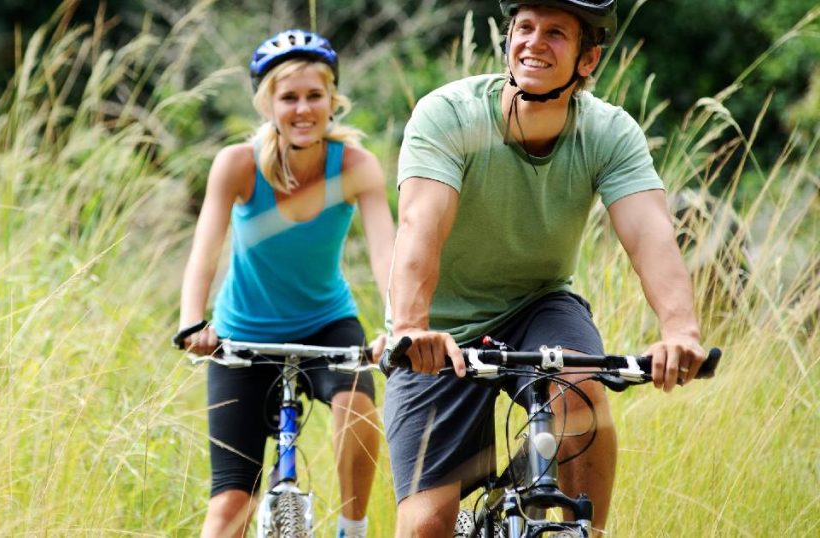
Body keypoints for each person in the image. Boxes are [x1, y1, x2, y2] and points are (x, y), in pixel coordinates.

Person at [381, 1, 708, 536]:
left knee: (582, 378)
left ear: (588, 59)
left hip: (538, 303)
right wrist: (412, 327)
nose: (534, 42)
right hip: (439, 327)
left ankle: (585, 532)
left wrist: (680, 331)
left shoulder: (608, 132)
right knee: (426, 526)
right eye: (524, 28)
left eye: (556, 33)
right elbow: (421, 225)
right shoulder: (450, 114)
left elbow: (651, 234)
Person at [175, 29, 394, 538]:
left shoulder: (356, 166)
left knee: (357, 407)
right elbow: (203, 252)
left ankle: (353, 528)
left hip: (326, 324)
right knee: (230, 506)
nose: (302, 109)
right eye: (288, 97)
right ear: (267, 103)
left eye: (314, 95)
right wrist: (193, 322)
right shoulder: (237, 164)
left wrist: (397, 325)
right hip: (242, 335)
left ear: (332, 100)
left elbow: (388, 251)